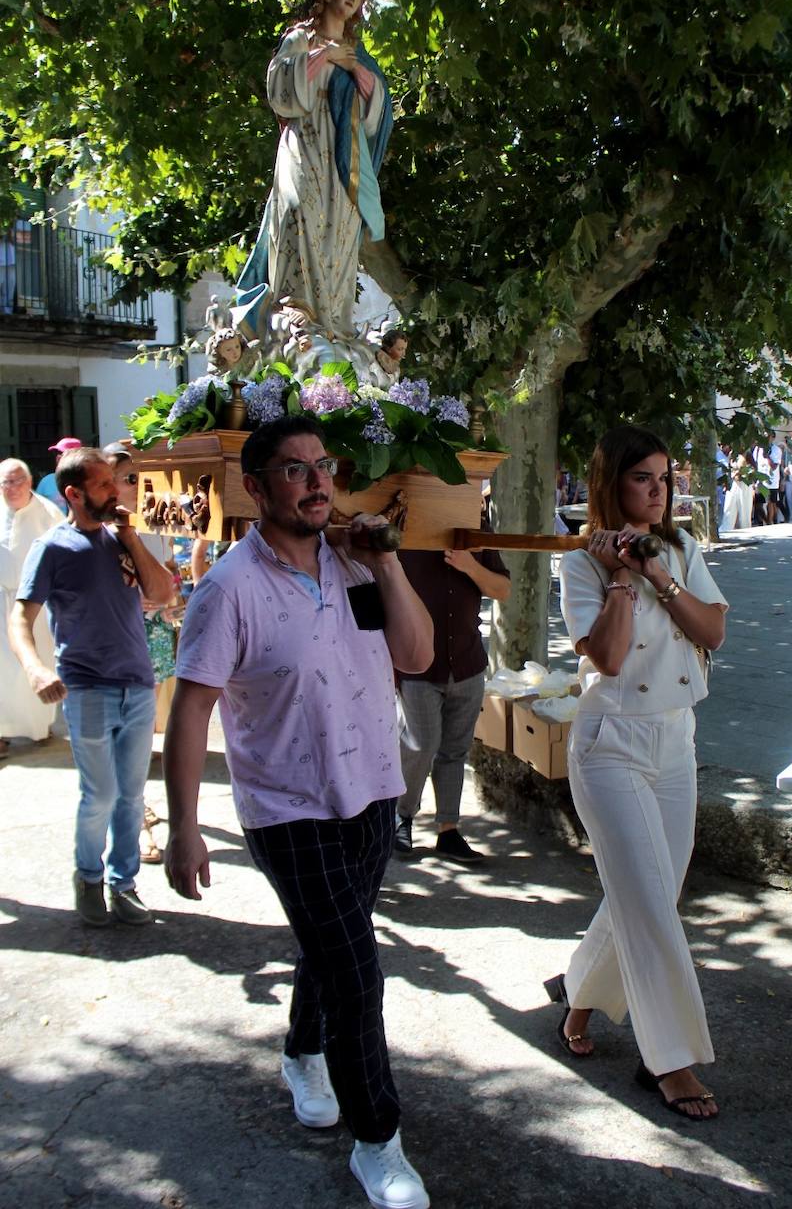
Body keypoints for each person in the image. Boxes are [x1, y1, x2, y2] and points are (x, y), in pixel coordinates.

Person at [162, 415, 433, 1209]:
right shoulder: (228, 591)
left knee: (331, 946)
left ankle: (301, 1049)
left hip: (373, 791)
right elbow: (190, 710)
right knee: (357, 972)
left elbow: (414, 657)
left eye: (324, 468)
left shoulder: (354, 566)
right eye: (294, 470)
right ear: (255, 487)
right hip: (288, 808)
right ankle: (377, 1141)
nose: (317, 482)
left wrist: (385, 565)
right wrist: (183, 828)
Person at [547, 424, 727, 1122]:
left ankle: (579, 995)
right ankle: (672, 1062)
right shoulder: (581, 564)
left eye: (662, 478)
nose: (656, 491)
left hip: (675, 740)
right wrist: (621, 577)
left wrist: (658, 573)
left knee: (653, 889)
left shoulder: (680, 547)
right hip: (610, 743)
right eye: (640, 479)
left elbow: (710, 632)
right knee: (649, 902)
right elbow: (610, 660)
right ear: (610, 484)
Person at [9, 448, 174, 926]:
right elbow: (20, 617)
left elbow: (163, 594)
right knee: (99, 794)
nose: (115, 491)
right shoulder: (52, 548)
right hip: (87, 688)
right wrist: (36, 669)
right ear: (73, 494)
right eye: (104, 485)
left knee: (130, 794)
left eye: (114, 482)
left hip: (138, 685)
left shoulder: (122, 539)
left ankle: (124, 886)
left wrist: (131, 538)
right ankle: (88, 877)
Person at [266, 0, 394, 348]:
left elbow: (378, 112)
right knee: (299, 209)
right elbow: (281, 88)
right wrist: (324, 57)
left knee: (339, 226)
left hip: (342, 154)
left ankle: (335, 319)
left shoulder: (359, 54)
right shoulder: (300, 39)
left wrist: (355, 70)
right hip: (304, 142)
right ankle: (296, 305)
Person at [394, 529, 511, 862]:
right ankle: (401, 817)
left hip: (467, 664)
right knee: (420, 745)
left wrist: (469, 565)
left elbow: (503, 589)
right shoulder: (406, 533)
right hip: (418, 667)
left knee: (455, 751)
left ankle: (448, 830)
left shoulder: (476, 531)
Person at [104, 442, 183, 864]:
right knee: (121, 728)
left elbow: (168, 574)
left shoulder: (154, 519)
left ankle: (136, 802)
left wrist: (169, 596)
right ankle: (132, 819)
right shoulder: (99, 527)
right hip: (115, 635)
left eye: (141, 476)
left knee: (141, 725)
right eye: (129, 478)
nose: (139, 485)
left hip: (150, 632)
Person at [0, 458, 62, 756]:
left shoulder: (48, 513)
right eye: (5, 482)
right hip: (1, 600)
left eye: (16, 481)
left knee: (37, 662)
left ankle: (38, 726)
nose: (10, 488)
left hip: (36, 605)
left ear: (28, 482)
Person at [34, 436, 83, 513]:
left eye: (62, 454)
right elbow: (35, 508)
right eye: (56, 453)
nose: (58, 457)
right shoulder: (46, 481)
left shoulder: (88, 481)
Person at [753, 431, 783, 524]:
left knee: (771, 502)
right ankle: (765, 520)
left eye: (768, 436)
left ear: (773, 438)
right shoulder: (758, 449)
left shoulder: (776, 450)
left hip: (772, 481)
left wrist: (767, 457)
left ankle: (770, 522)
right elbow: (754, 463)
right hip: (760, 480)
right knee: (758, 504)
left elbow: (774, 467)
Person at [720, 452, 753, 531]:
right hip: (733, 484)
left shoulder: (747, 454)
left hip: (744, 486)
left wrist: (742, 474)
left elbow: (753, 469)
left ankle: (746, 530)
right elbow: (729, 468)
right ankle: (725, 530)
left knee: (744, 511)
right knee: (729, 508)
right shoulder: (732, 454)